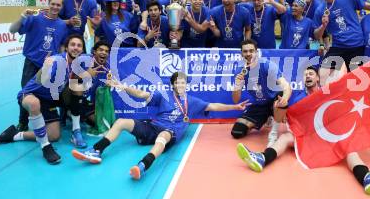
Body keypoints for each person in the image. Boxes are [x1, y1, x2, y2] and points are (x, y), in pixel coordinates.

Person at [237, 66, 370, 195]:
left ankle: (367, 178)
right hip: (304, 137)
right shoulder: (295, 96)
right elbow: (280, 118)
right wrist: (280, 107)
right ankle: (262, 158)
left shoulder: (327, 93)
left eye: (311, 74)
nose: (308, 76)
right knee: (286, 137)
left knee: (349, 148)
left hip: (326, 137)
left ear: (317, 78)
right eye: (305, 74)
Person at [72, 71, 251, 180]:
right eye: (177, 82)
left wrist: (235, 106)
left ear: (185, 84)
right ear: (173, 84)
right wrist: (122, 86)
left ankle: (143, 165)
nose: (180, 84)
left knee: (162, 137)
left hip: (169, 132)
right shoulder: (164, 95)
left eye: (183, 82)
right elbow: (142, 94)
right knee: (121, 122)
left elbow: (213, 106)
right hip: (152, 126)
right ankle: (96, 151)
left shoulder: (192, 101)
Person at [0, 35, 92, 164]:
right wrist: (46, 70)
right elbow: (41, 80)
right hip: (31, 94)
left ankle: (75, 131)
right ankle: (44, 146)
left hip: (51, 98)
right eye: (73, 44)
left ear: (82, 49)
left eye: (79, 45)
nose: (75, 48)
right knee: (35, 106)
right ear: (66, 47)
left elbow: (96, 57)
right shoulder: (55, 61)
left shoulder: (79, 62)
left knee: (55, 133)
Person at [9, 0, 69, 132]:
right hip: (32, 63)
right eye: (53, 4)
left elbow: (60, 45)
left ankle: (53, 118)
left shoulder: (62, 25)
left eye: (58, 5)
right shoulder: (35, 18)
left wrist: (60, 60)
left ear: (61, 7)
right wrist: (23, 15)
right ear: (48, 4)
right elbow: (12, 30)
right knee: (26, 92)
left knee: (49, 92)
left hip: (49, 65)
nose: (55, 7)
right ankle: (23, 122)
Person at [230, 39, 291, 142]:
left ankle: (273, 132)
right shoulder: (240, 71)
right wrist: (237, 85)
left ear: (256, 52)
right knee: (237, 132)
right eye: (245, 51)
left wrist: (285, 98)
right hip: (260, 104)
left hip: (274, 100)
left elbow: (286, 86)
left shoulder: (268, 65)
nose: (248, 54)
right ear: (241, 54)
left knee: (280, 100)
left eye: (251, 51)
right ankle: (265, 118)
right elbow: (236, 100)